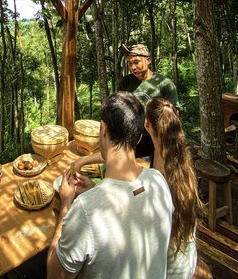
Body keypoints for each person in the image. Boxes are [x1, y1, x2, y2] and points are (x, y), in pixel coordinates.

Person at [47, 92, 174, 279]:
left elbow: (54, 275)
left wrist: (66, 205)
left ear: (103, 129)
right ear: (139, 137)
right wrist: (94, 191)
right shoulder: (159, 181)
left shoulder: (85, 210)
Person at [144, 97, 203, 279]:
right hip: (186, 258)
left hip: (170, 271)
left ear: (146, 125)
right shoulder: (181, 160)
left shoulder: (157, 180)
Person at [119, 43, 180, 161]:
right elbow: (120, 109)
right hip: (132, 141)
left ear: (148, 60)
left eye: (136, 62)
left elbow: (175, 114)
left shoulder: (164, 84)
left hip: (158, 143)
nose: (133, 67)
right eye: (129, 63)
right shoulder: (125, 83)